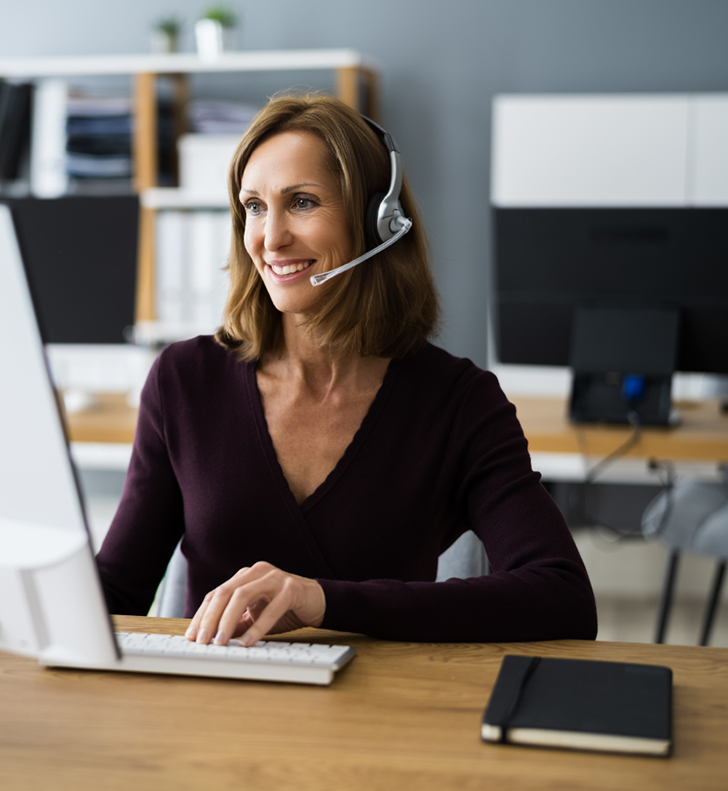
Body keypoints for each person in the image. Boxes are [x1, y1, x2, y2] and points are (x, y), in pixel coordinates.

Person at [95, 94, 598, 647]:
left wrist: (324, 601)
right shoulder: (185, 380)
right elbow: (116, 589)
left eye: (302, 202)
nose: (271, 237)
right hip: (213, 713)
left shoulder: (457, 402)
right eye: (255, 207)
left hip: (374, 716)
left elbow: (561, 597)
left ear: (379, 223)